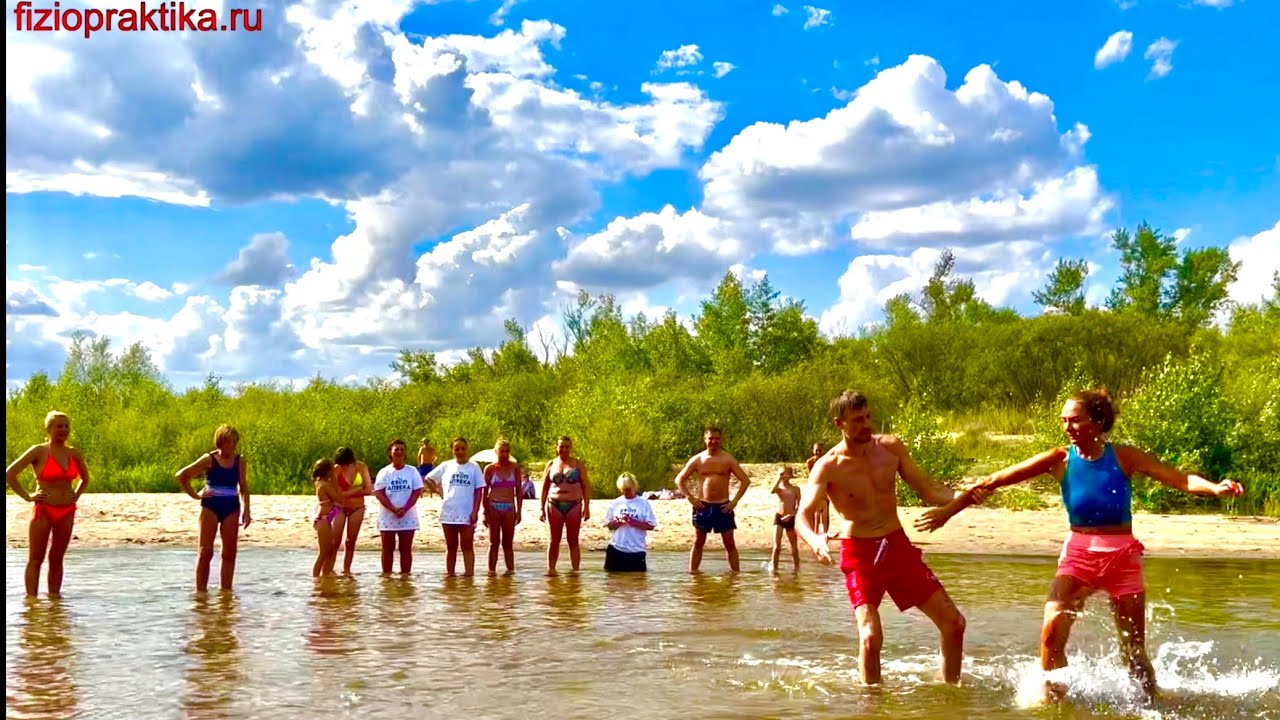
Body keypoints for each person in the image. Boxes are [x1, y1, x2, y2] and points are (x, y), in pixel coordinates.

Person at [915, 387, 1246, 702]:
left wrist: (1215, 488)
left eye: (1074, 419)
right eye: (1063, 420)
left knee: (1133, 647)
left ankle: (1150, 702)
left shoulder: (1124, 456)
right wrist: (948, 511)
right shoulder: (1058, 459)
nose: (1067, 427)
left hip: (1122, 557)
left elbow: (1179, 478)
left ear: (1097, 422)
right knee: (1050, 635)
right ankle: (1053, 704)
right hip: (1078, 556)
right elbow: (993, 480)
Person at [795, 391, 980, 686]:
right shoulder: (828, 466)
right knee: (870, 639)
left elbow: (929, 490)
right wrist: (815, 540)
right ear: (839, 423)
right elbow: (801, 516)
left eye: (868, 417)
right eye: (857, 420)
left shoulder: (891, 448)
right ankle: (871, 706)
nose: (866, 424)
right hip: (860, 554)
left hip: (896, 546)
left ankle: (950, 696)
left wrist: (966, 496)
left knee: (954, 624)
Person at [5, 411, 92, 598]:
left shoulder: (74, 453)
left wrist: (75, 495)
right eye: (59, 426)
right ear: (49, 429)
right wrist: (28, 496)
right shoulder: (39, 451)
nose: (64, 430)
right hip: (43, 510)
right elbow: (10, 473)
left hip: (67, 511)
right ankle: (32, 604)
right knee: (35, 559)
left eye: (66, 426)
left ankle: (54, 603)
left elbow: (85, 479)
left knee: (57, 559)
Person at [176, 424, 252, 593]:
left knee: (230, 553)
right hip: (210, 507)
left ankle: (226, 595)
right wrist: (196, 495)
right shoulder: (209, 459)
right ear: (220, 442)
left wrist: (247, 510)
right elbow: (182, 475)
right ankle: (200, 595)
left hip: (231, 507)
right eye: (227, 442)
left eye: (234, 442)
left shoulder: (240, 461)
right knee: (205, 552)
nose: (231, 446)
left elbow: (244, 486)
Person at [674, 426, 751, 574]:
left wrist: (734, 502)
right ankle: (694, 575)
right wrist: (690, 498)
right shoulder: (698, 459)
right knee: (698, 542)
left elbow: (745, 481)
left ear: (721, 440)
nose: (714, 441)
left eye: (717, 438)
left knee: (729, 543)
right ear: (705, 440)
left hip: (723, 506)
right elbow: (679, 480)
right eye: (710, 438)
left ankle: (735, 576)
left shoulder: (727, 459)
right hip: (703, 506)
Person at [426, 437, 486, 577]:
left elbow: (479, 491)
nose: (460, 451)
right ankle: (450, 576)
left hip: (467, 512)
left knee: (467, 546)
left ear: (467, 449)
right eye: (456, 448)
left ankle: (469, 576)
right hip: (448, 511)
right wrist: (438, 490)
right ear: (452, 450)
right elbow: (428, 478)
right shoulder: (446, 465)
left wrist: (475, 511)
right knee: (451, 548)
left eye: (462, 448)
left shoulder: (474, 467)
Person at [539, 436, 591, 576]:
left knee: (573, 540)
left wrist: (587, 507)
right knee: (553, 539)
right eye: (561, 446)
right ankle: (551, 571)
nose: (564, 449)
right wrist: (541, 509)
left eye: (567, 447)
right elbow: (544, 487)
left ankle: (575, 572)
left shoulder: (578, 464)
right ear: (556, 448)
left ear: (571, 448)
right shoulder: (551, 464)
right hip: (554, 504)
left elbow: (585, 486)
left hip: (574, 504)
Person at [373, 439, 424, 576]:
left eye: (402, 449)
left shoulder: (412, 471)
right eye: (396, 449)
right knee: (387, 549)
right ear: (390, 452)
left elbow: (417, 491)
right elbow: (379, 493)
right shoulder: (384, 472)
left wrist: (405, 508)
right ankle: (387, 577)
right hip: (388, 516)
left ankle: (405, 578)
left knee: (405, 549)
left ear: (405, 452)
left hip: (408, 516)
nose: (399, 452)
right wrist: (392, 509)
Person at [482, 439, 522, 576]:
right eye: (501, 451)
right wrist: (484, 512)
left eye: (506, 451)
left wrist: (519, 511)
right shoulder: (490, 469)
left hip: (509, 507)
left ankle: (510, 573)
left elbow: (519, 491)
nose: (504, 454)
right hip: (493, 506)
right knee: (494, 542)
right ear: (496, 452)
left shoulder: (515, 468)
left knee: (508, 543)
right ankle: (491, 573)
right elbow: (484, 492)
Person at [603, 473, 657, 572]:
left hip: (636, 550)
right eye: (623, 489)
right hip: (616, 549)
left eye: (628, 489)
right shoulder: (615, 503)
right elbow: (609, 526)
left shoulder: (643, 503)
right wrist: (617, 522)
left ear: (633, 487)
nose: (625, 492)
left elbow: (651, 526)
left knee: (637, 582)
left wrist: (633, 522)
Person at [331, 447, 373, 575]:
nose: (343, 467)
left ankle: (347, 570)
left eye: (345, 464)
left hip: (357, 508)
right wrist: (355, 491)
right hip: (339, 508)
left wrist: (346, 494)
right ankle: (329, 569)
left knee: (350, 541)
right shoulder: (336, 469)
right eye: (341, 464)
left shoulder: (361, 467)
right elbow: (334, 492)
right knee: (335, 541)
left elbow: (368, 490)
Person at [311, 458, 343, 577]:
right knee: (323, 552)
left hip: (326, 518)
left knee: (329, 550)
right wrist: (335, 478)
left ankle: (325, 576)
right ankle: (316, 578)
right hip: (323, 520)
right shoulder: (325, 485)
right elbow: (338, 497)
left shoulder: (321, 483)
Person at [770, 465, 802, 574]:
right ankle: (774, 569)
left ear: (790, 475)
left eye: (785, 474)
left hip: (790, 518)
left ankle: (797, 568)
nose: (783, 476)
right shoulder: (779, 488)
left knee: (794, 546)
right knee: (776, 547)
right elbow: (772, 491)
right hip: (779, 517)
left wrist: (791, 515)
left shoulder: (795, 489)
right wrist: (778, 478)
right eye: (781, 474)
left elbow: (799, 506)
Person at [806, 442, 831, 536]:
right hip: (815, 486)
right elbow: (810, 476)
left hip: (825, 487)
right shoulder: (810, 462)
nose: (817, 452)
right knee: (816, 513)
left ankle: (825, 533)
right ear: (813, 451)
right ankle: (815, 533)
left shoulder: (827, 461)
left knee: (825, 514)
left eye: (819, 450)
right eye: (816, 450)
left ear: (823, 451)